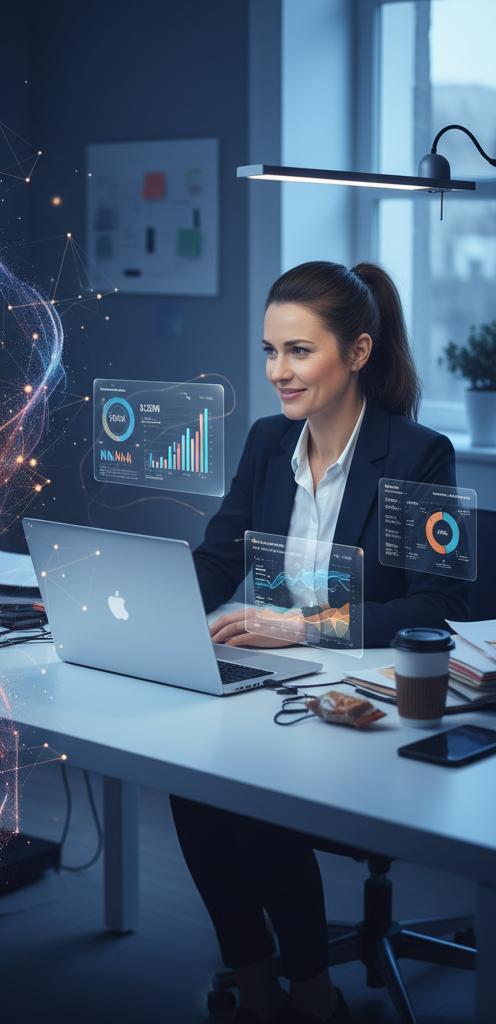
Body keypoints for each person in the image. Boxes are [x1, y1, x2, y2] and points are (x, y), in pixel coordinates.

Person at [173, 261, 469, 1024]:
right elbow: (218, 555)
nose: (279, 371)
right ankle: (253, 971)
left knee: (250, 786)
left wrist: (303, 626)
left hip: (366, 695)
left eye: (299, 351)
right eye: (270, 351)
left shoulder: (418, 454)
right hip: (275, 678)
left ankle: (309, 989)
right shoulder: (270, 441)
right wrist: (162, 610)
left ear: (359, 352)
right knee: (188, 777)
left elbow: (436, 605)